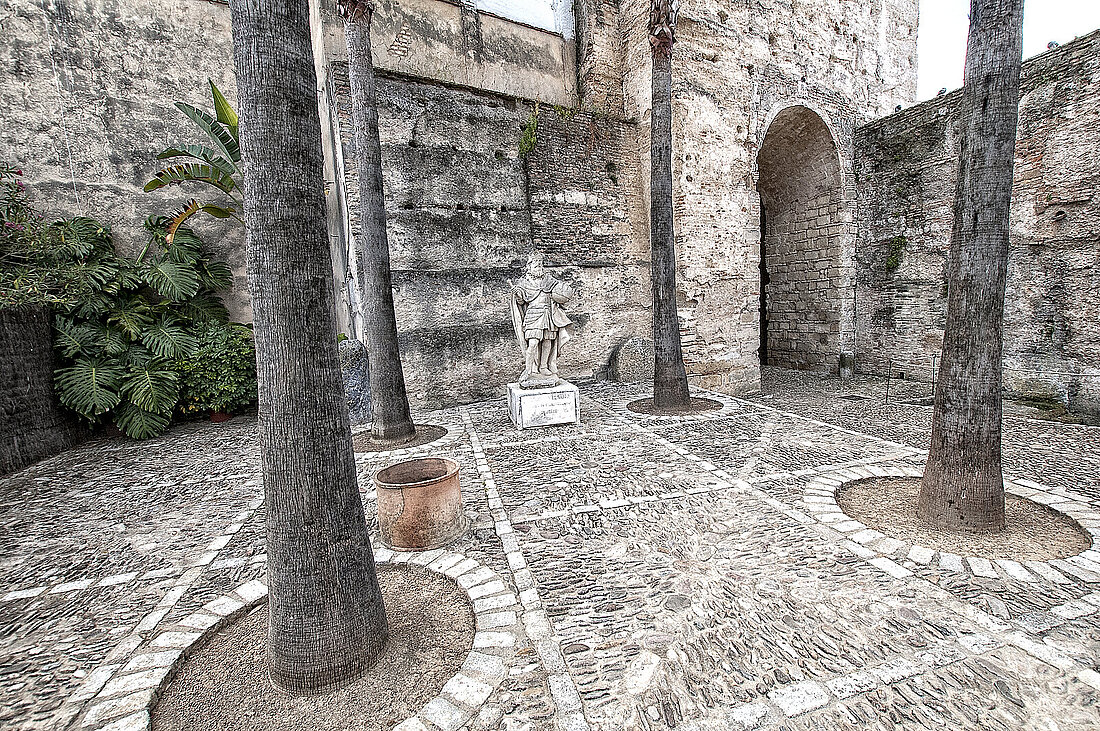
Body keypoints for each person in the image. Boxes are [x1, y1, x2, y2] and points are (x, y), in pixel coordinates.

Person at [510, 254, 575, 386]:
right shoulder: (524, 283)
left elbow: (560, 291)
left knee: (548, 342)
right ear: (529, 267)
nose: (539, 267)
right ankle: (529, 370)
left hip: (548, 313)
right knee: (533, 343)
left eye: (540, 264)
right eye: (536, 264)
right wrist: (517, 295)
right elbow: (522, 301)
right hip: (533, 314)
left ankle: (544, 366)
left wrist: (565, 292)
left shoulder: (549, 279)